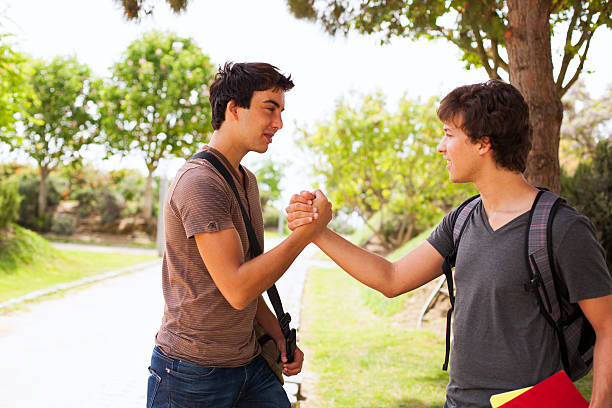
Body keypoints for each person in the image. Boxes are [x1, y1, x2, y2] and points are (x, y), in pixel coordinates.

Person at [286, 80, 612, 408]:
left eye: (448, 134)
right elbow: (392, 279)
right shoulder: (462, 219)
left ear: (484, 142)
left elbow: (607, 328)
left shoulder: (563, 228)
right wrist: (318, 233)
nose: (441, 147)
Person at [147, 62, 332, 408]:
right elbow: (237, 288)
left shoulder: (246, 181)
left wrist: (279, 336)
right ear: (233, 109)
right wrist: (306, 234)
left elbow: (250, 278)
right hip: (190, 374)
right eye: (269, 109)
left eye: (281, 111)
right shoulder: (200, 183)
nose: (279, 123)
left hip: (248, 363)